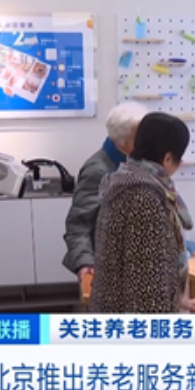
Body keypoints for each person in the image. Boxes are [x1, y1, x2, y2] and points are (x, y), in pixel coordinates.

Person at [90, 112, 195, 313]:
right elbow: (145, 287)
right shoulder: (144, 196)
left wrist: (177, 299)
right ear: (168, 158)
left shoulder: (126, 179)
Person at [63, 102, 149, 280]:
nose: (146, 141)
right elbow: (79, 223)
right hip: (109, 267)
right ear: (121, 140)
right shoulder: (98, 171)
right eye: (139, 137)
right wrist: (85, 263)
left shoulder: (136, 161)